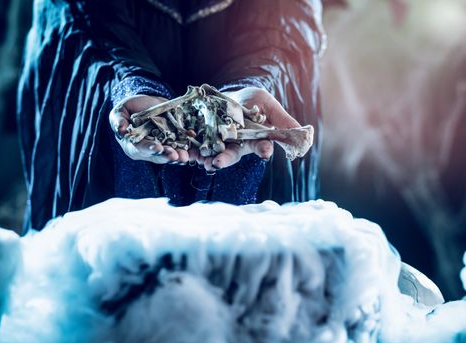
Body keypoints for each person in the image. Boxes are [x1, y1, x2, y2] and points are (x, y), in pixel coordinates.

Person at [17, 0, 325, 231]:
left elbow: (287, 17)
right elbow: (74, 15)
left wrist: (252, 83)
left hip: (244, 66)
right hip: (112, 50)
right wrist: (129, 81)